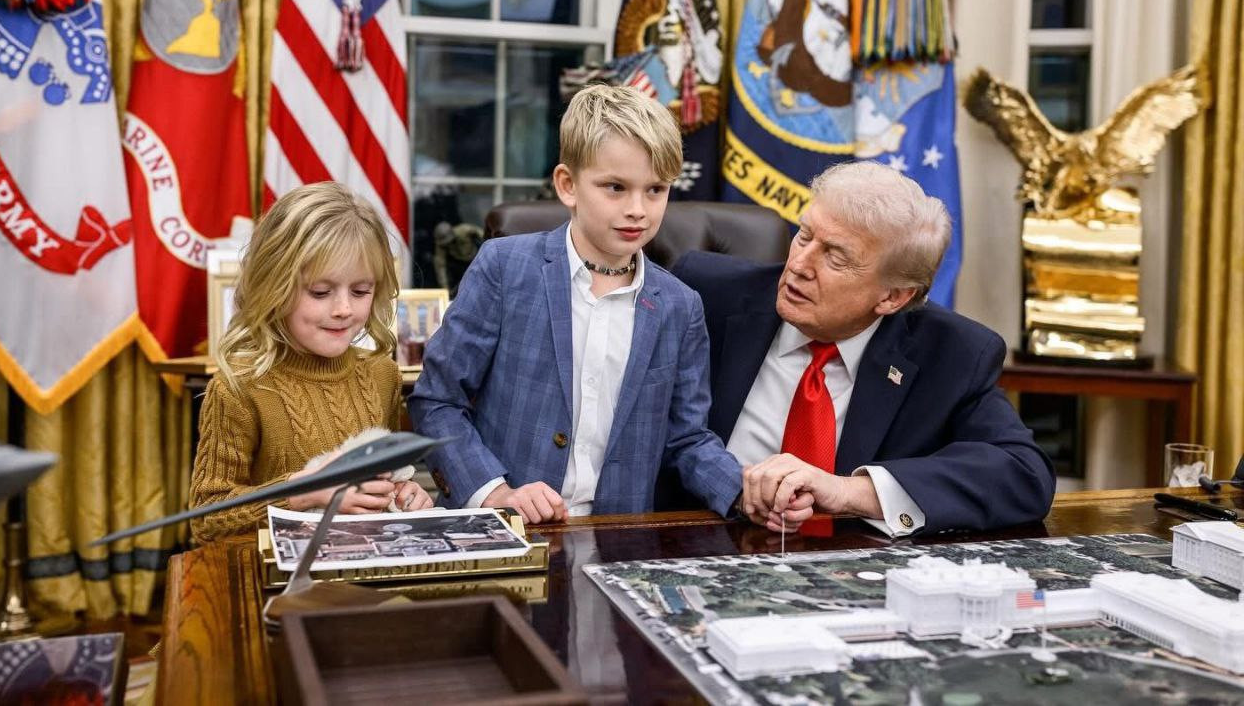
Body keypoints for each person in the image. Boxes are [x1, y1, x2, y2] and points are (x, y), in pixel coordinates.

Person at [409, 85, 742, 523]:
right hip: (504, 528)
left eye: (655, 190)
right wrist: (495, 492)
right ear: (567, 185)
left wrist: (742, 492)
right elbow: (437, 401)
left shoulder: (681, 306)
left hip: (618, 537)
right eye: (615, 188)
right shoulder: (504, 268)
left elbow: (686, 439)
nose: (638, 209)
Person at [674, 161, 1055, 536]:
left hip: (851, 566)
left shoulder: (951, 353)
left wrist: (848, 492)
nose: (799, 265)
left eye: (836, 257)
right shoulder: (704, 296)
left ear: (893, 297)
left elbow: (1024, 474)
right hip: (694, 543)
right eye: (804, 235)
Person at [188, 182, 432, 543]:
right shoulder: (238, 389)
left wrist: (403, 493)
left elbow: (380, 482)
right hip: (280, 575)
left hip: (365, 566)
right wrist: (304, 494)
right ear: (274, 286)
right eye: (320, 292)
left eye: (361, 291)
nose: (344, 309)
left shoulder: (383, 375)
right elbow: (207, 519)